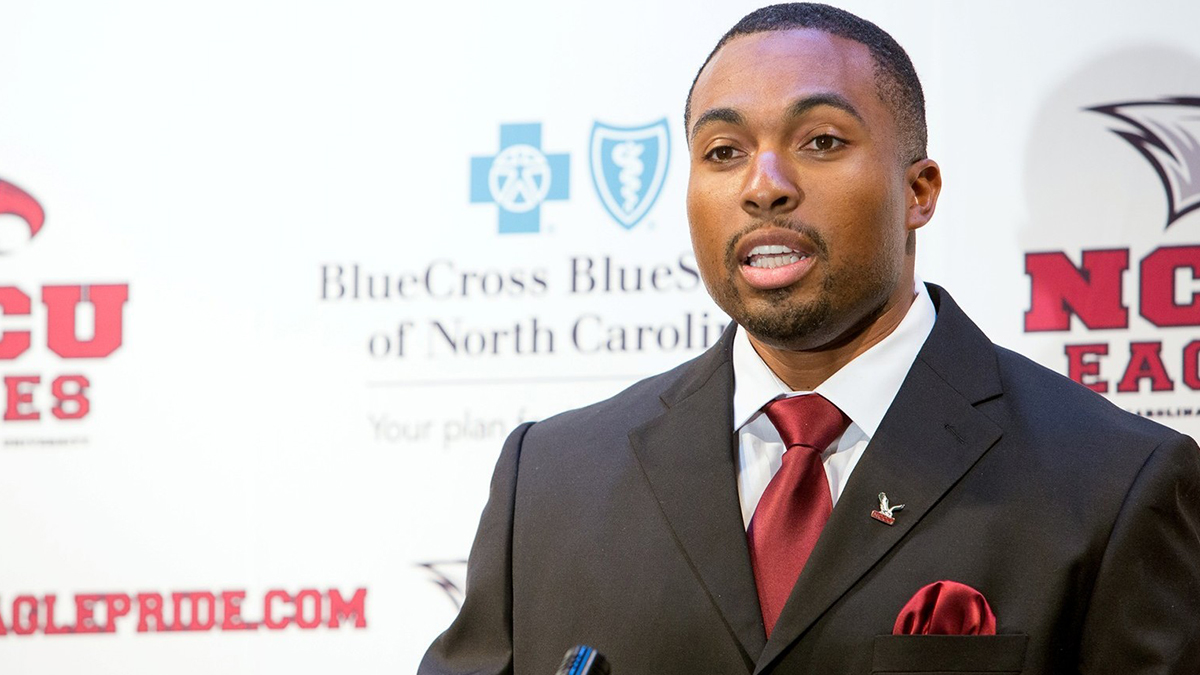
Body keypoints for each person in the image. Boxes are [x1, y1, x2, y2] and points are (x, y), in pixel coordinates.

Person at [419, 4, 1200, 673]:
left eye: (821, 141)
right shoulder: (548, 480)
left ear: (918, 190)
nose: (764, 185)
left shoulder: (1113, 482)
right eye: (723, 152)